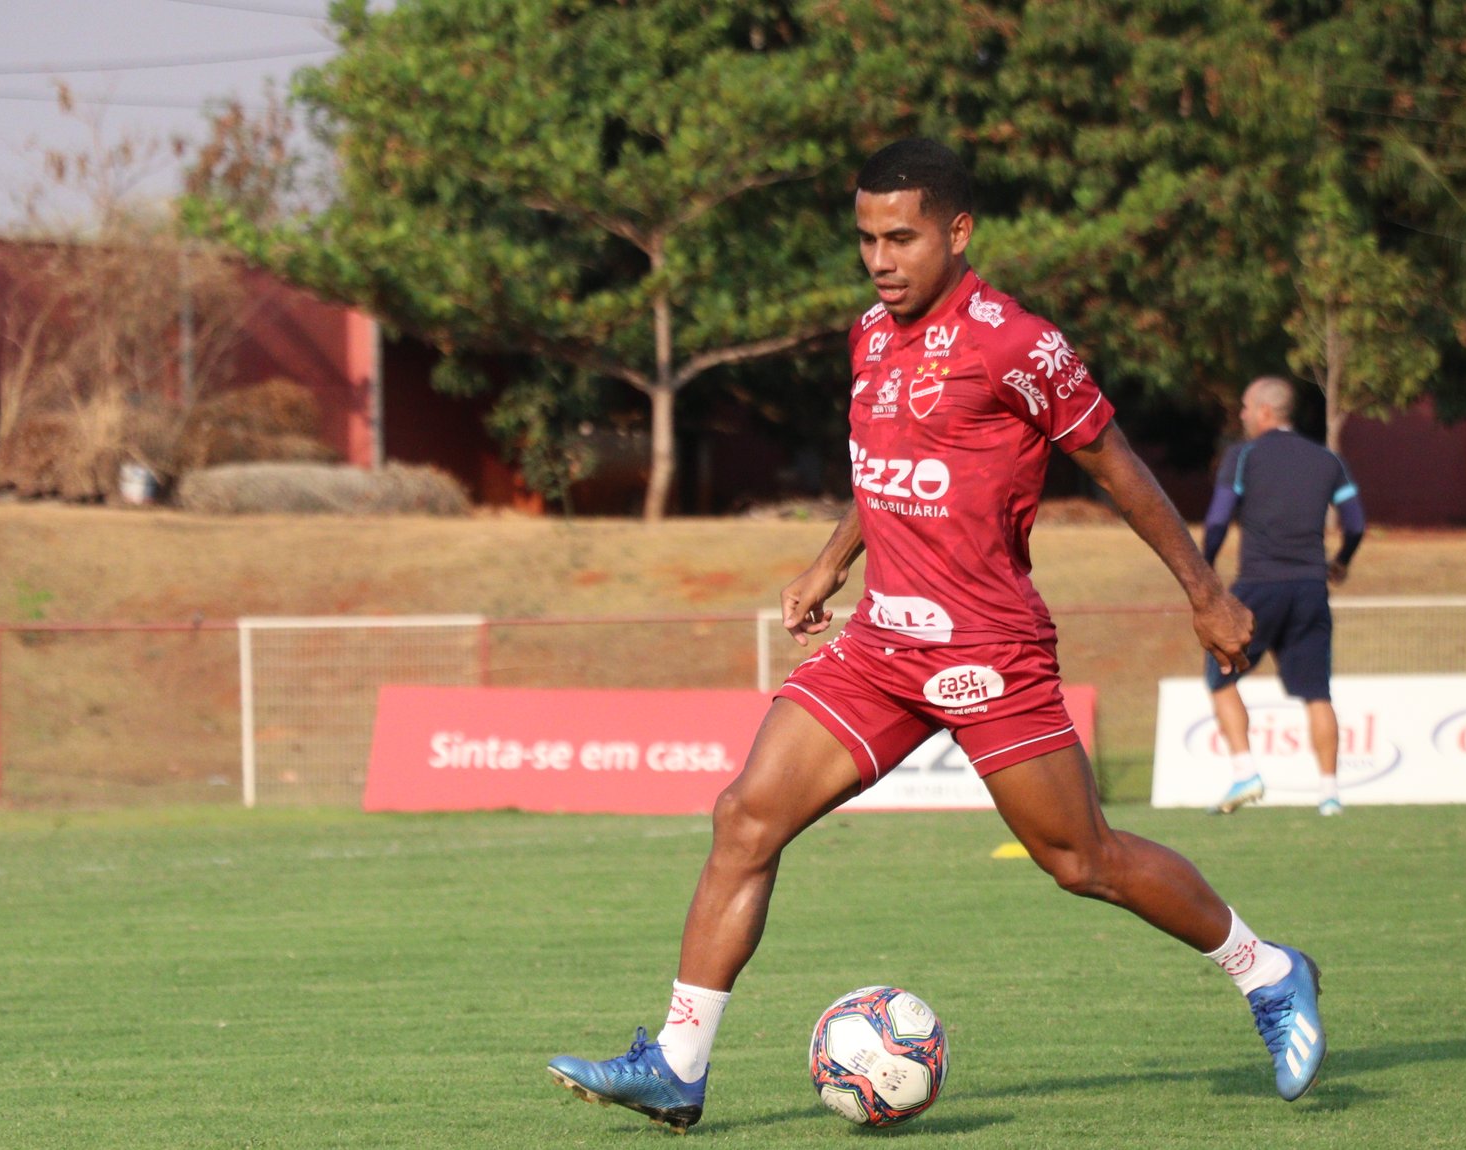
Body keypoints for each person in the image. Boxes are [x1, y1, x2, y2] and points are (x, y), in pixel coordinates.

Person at [545, 139, 1327, 1132]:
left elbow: (1116, 463)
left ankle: (1266, 971)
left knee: (1080, 860)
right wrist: (832, 561)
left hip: (986, 652)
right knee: (745, 814)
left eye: (901, 237)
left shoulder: (1015, 343)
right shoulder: (868, 335)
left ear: (957, 233)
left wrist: (1202, 590)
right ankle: (677, 1062)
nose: (880, 257)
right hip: (881, 647)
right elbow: (890, 471)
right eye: (866, 237)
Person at [1201, 377, 1366, 817]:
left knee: (1220, 678)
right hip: (1311, 588)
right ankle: (1330, 794)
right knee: (1317, 693)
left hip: (1259, 586)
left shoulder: (1243, 456)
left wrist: (1204, 575)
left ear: (1265, 412)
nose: (1241, 416)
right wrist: (1342, 561)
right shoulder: (1328, 460)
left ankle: (1245, 772)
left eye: (1245, 407)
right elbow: (1356, 523)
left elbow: (1217, 521)